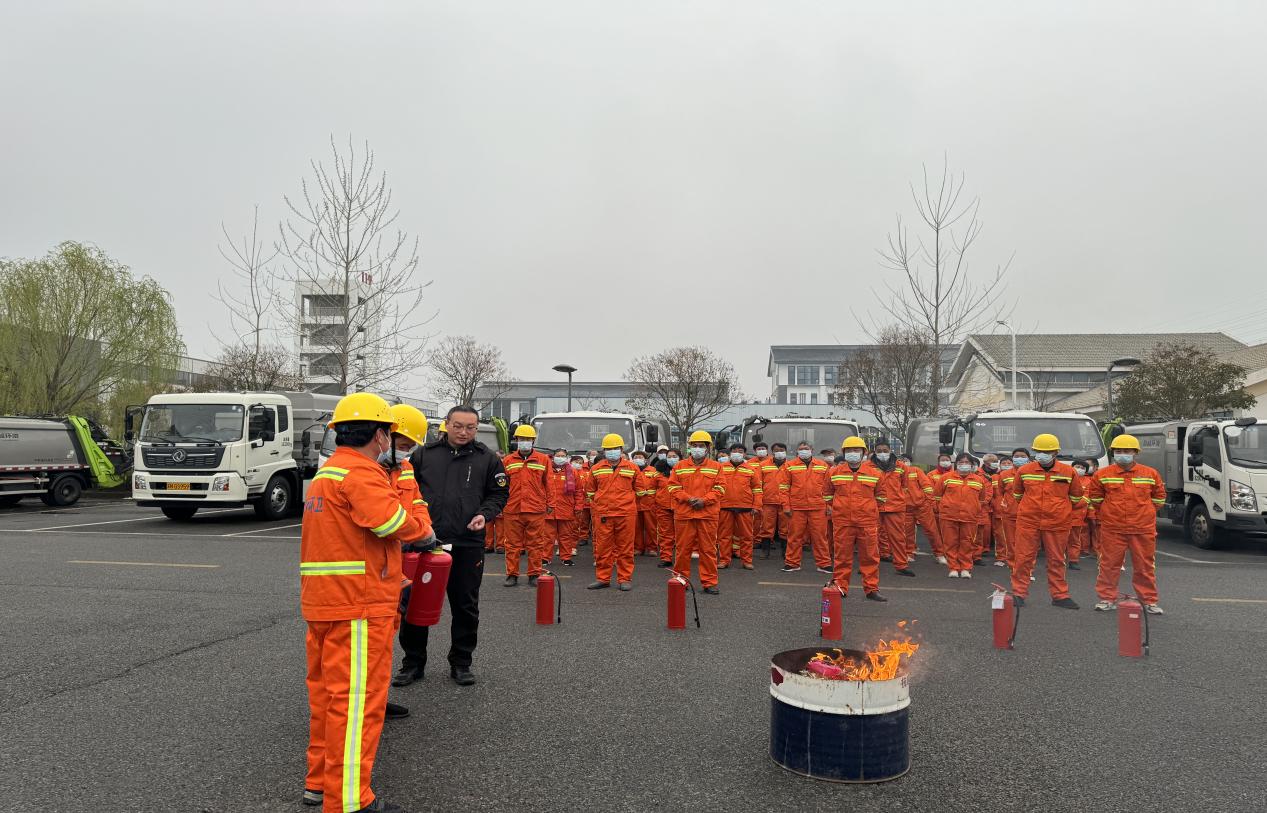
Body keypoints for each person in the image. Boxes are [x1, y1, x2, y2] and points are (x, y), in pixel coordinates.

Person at [301, 393, 429, 813]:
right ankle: (349, 802)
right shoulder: (361, 473)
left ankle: (320, 783)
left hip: (326, 602)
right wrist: (423, 532)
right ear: (379, 435)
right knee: (356, 706)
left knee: (328, 701)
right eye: (389, 434)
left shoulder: (328, 471)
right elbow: (393, 522)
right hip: (358, 605)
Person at [394, 406, 508, 688]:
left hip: (467, 543)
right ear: (446, 424)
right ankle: (413, 663)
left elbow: (498, 494)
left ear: (476, 428)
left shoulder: (487, 459)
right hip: (424, 542)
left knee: (465, 605)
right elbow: (406, 491)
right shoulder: (424, 455)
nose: (463, 432)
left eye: (470, 427)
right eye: (458, 426)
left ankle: (461, 662)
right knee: (414, 603)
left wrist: (484, 514)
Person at [1087, 435, 1166, 614]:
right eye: (1118, 451)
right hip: (1113, 528)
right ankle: (1107, 598)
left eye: (1126, 451)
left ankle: (1148, 601)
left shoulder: (1150, 473)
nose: (1122, 454)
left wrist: (1145, 513)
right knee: (1109, 565)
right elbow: (1096, 499)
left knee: (1145, 567)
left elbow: (1159, 498)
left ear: (1135, 453)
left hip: (1142, 528)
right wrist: (1109, 513)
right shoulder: (1102, 475)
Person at [1011, 433, 1084, 609]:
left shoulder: (1068, 472)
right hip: (1029, 521)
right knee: (1023, 559)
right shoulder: (1024, 471)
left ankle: (1060, 596)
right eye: (1038, 451)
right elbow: (1017, 494)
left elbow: (1076, 496)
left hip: (1057, 523)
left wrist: (1060, 510)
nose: (1042, 454)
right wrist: (1032, 508)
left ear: (1055, 453)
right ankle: (1018, 593)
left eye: (1047, 452)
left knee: (1057, 560)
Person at [827, 436, 886, 601]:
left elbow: (881, 497)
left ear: (863, 452)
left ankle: (871, 589)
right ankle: (840, 587)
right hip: (843, 522)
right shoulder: (833, 472)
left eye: (856, 450)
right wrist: (840, 508)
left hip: (867, 522)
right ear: (843, 452)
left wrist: (869, 510)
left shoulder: (875, 473)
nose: (853, 453)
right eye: (849, 450)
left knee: (870, 557)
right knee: (842, 557)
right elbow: (827, 495)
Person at [667, 431, 725, 593]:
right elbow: (672, 487)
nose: (697, 448)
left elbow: (720, 488)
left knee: (708, 550)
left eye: (701, 446)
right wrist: (689, 499)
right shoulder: (679, 466)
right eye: (694, 445)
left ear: (707, 448)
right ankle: (680, 581)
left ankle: (709, 582)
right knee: (682, 550)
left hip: (707, 514)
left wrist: (704, 501)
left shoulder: (716, 467)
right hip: (685, 514)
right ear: (690, 447)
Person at [584, 433, 640, 591]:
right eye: (608, 449)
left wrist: (626, 502)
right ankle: (603, 578)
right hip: (604, 514)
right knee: (603, 548)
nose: (612, 451)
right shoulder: (596, 469)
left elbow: (640, 490)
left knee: (626, 548)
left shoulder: (632, 468)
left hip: (625, 514)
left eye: (615, 448)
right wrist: (601, 503)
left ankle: (624, 579)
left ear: (621, 449)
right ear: (604, 451)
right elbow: (590, 491)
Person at [501, 425, 554, 587]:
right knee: (511, 545)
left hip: (535, 508)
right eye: (522, 439)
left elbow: (549, 483)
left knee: (536, 544)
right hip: (513, 508)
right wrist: (501, 503)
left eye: (528, 439)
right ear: (516, 440)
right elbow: (502, 485)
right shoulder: (508, 460)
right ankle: (512, 575)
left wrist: (551, 503)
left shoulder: (543, 459)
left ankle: (534, 574)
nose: (525, 442)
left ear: (533, 441)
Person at [935, 452, 991, 578]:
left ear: (972, 465)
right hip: (948, 516)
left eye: (967, 462)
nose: (964, 465)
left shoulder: (979, 480)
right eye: (961, 462)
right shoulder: (946, 478)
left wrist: (974, 509)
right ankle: (953, 568)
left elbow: (981, 499)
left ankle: (966, 568)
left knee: (967, 543)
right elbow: (937, 495)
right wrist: (944, 508)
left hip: (970, 517)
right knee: (950, 542)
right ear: (956, 464)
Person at [780, 442, 831, 573]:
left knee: (820, 537)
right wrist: (786, 506)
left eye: (806, 448)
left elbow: (829, 488)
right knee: (794, 537)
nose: (804, 451)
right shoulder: (789, 465)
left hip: (818, 507)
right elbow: (784, 488)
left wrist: (829, 505)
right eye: (801, 449)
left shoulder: (822, 465)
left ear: (812, 450)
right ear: (797, 451)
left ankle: (824, 564)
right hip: (796, 507)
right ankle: (792, 563)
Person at [872, 440, 914, 577]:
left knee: (898, 538)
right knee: (870, 538)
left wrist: (897, 497)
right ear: (874, 451)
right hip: (874, 507)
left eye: (885, 450)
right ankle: (868, 565)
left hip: (895, 507)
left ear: (890, 451)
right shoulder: (867, 466)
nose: (882, 453)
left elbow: (905, 486)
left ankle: (901, 565)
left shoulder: (901, 467)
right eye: (879, 451)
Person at [717, 443, 760, 570]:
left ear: (744, 454)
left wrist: (756, 506)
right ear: (730, 453)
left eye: (740, 451)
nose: (737, 453)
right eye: (734, 451)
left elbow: (757, 489)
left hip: (745, 507)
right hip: (724, 506)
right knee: (724, 536)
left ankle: (747, 561)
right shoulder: (721, 468)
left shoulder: (751, 469)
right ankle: (724, 560)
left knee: (746, 536)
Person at [899, 453, 942, 562]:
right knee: (907, 533)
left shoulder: (916, 471)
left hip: (922, 506)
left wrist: (929, 502)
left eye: (906, 460)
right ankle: (909, 553)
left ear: (910, 461)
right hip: (906, 508)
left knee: (932, 531)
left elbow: (927, 487)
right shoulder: (897, 473)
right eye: (901, 460)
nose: (903, 462)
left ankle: (939, 554)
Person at [545, 448, 583, 567]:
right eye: (558, 455)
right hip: (549, 508)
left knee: (566, 535)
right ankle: (545, 558)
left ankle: (566, 557)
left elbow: (579, 491)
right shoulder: (546, 470)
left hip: (566, 508)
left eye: (563, 456)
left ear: (566, 458)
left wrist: (578, 506)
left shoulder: (573, 472)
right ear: (553, 456)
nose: (560, 458)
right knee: (547, 536)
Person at [754, 442, 788, 560]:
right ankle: (765, 551)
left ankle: (785, 552)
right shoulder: (763, 465)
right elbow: (758, 484)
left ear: (786, 451)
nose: (779, 452)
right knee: (766, 527)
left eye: (782, 450)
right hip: (768, 501)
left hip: (785, 502)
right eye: (776, 450)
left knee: (785, 528)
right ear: (772, 452)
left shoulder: (791, 465)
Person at [655, 448, 681, 567]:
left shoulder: (685, 471)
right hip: (663, 506)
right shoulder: (659, 473)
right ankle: (666, 557)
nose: (671, 459)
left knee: (682, 534)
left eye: (674, 456)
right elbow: (652, 488)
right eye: (669, 457)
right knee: (665, 534)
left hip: (680, 506)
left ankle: (682, 558)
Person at [631, 450, 660, 556]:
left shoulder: (653, 470)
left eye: (640, 457)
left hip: (650, 504)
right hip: (634, 503)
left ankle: (652, 548)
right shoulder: (630, 470)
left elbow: (658, 486)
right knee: (636, 528)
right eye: (635, 457)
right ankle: (638, 548)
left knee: (651, 528)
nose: (638, 459)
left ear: (646, 460)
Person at [991, 455, 1017, 568]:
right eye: (1004, 463)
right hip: (998, 511)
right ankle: (1001, 557)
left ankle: (1015, 559)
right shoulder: (994, 477)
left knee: (1015, 538)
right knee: (1000, 536)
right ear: (1000, 465)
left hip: (1014, 511)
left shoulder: (1018, 475)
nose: (1006, 465)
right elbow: (991, 494)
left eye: (1008, 463)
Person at [1067, 459, 1093, 570]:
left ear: (1086, 471)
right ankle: (1056, 561)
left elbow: (1086, 499)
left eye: (1083, 468)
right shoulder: (1065, 478)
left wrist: (1066, 504)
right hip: (1060, 515)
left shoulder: (1089, 482)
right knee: (1057, 541)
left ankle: (1073, 561)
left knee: (1074, 540)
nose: (1079, 469)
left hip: (1076, 516)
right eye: (1077, 466)